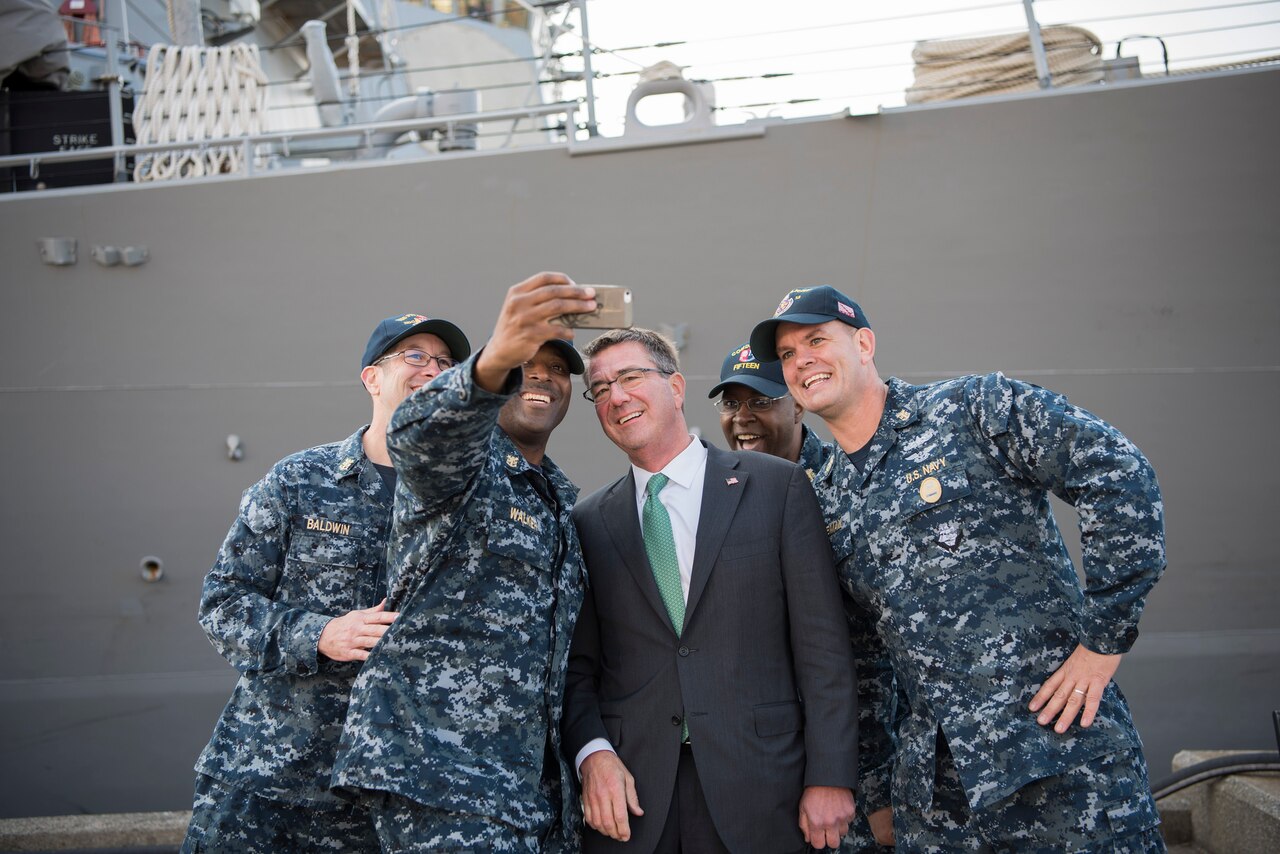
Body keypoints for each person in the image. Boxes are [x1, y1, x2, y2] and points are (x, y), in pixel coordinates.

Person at [750, 285, 1167, 852]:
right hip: (939, 801)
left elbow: (1118, 476)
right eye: (789, 355)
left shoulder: (972, 409)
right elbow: (861, 657)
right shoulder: (827, 501)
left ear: (865, 343)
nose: (803, 361)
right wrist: (875, 790)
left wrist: (1103, 643)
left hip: (1060, 765)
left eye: (817, 340)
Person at [564, 327, 860, 853]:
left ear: (675, 387)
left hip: (764, 790)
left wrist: (831, 776)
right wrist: (592, 753)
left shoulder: (777, 487)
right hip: (634, 805)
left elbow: (823, 649)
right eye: (601, 387)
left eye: (631, 377)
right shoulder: (587, 521)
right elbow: (578, 669)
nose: (616, 396)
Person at [183, 312, 471, 853]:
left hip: (391, 801)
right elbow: (223, 604)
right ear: (372, 378)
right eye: (414, 356)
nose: (431, 369)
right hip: (271, 783)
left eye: (445, 362)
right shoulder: (299, 480)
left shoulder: (466, 501)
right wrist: (319, 634)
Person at [331, 273, 596, 852]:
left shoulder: (561, 499)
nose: (542, 378)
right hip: (440, 779)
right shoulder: (457, 469)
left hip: (532, 793)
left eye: (557, 370)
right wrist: (493, 359)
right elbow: (419, 435)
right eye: (527, 365)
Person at [710, 341, 896, 853]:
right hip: (764, 772)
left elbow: (875, 658)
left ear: (797, 402)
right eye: (731, 403)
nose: (742, 418)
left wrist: (874, 786)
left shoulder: (844, 489)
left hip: (850, 782)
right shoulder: (718, 496)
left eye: (761, 401)